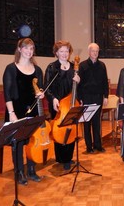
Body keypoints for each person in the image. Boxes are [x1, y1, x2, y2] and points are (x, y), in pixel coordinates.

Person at [3, 38, 43, 185]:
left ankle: (32, 169)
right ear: (19, 49)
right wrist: (11, 113)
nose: (29, 51)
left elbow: (40, 88)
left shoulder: (37, 70)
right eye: (26, 48)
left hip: (32, 111)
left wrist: (41, 93)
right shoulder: (11, 68)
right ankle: (19, 172)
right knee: (18, 143)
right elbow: (7, 93)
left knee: (33, 141)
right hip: (16, 111)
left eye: (31, 48)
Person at [44, 40, 80, 170]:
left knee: (71, 129)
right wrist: (52, 99)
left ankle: (68, 158)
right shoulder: (52, 67)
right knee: (58, 129)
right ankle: (61, 158)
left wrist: (78, 81)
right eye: (61, 51)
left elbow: (76, 88)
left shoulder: (74, 67)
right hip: (57, 104)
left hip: (71, 103)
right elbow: (47, 88)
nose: (64, 54)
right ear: (56, 53)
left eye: (66, 51)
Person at [77, 43, 109, 154]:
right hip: (86, 97)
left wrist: (106, 96)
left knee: (97, 122)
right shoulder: (82, 65)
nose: (95, 53)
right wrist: (79, 98)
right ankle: (89, 147)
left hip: (98, 97)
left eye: (97, 51)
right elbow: (78, 84)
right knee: (87, 123)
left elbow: (105, 82)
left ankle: (98, 145)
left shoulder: (102, 65)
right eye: (93, 51)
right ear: (89, 52)